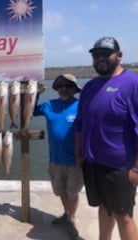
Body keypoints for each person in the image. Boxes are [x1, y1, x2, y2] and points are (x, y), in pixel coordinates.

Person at [75, 36, 138, 240]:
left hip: (120, 167)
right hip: (93, 163)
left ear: (119, 56)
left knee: (124, 216)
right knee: (104, 208)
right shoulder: (89, 87)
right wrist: (79, 154)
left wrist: (136, 168)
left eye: (105, 54)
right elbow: (80, 124)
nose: (100, 59)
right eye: (96, 55)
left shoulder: (132, 84)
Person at [34, 74, 83, 240]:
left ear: (74, 89)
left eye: (68, 86)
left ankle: (72, 218)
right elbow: (31, 110)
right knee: (61, 191)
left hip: (75, 161)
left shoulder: (81, 105)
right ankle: (66, 214)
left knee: (73, 192)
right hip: (55, 159)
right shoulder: (49, 105)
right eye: (61, 85)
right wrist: (37, 93)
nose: (64, 88)